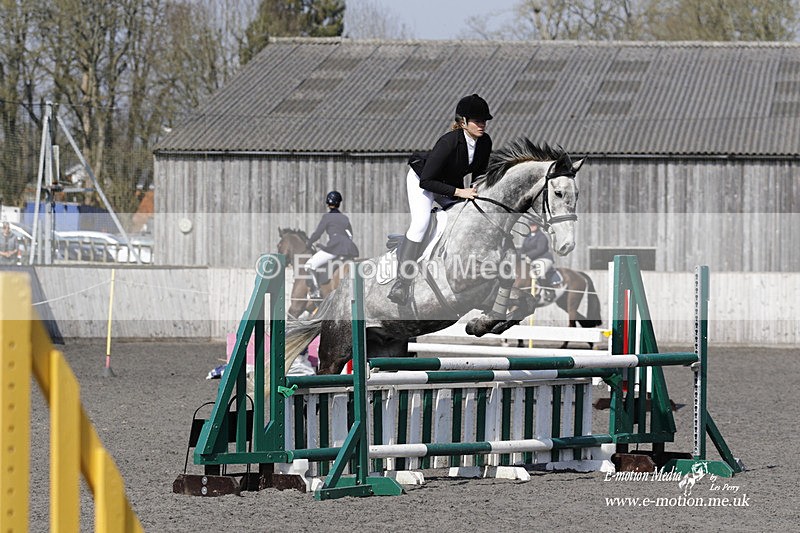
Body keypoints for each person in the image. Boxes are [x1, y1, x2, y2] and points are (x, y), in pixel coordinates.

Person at [388, 93, 493, 305]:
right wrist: (460, 192)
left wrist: (475, 192)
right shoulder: (448, 142)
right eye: (477, 120)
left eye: (484, 120)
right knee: (421, 223)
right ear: (463, 122)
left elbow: (479, 175)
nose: (482, 125)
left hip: (449, 184)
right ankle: (402, 282)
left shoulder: (485, 142)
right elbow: (426, 181)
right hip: (423, 180)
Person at [304, 191, 359, 299]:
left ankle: (316, 291)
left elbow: (318, 234)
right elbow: (350, 235)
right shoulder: (344, 218)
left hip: (335, 248)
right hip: (349, 249)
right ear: (339, 203)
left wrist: (309, 243)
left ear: (328, 203)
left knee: (309, 265)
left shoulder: (327, 217)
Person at [519, 222, 556, 302]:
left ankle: (546, 291)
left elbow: (540, 249)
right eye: (531, 225)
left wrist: (527, 255)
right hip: (531, 259)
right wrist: (520, 255)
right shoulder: (528, 237)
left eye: (534, 225)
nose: (532, 226)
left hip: (544, 258)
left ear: (538, 226)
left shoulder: (542, 237)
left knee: (538, 271)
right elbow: (523, 248)